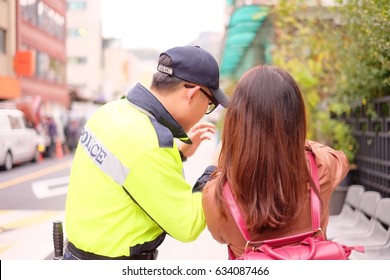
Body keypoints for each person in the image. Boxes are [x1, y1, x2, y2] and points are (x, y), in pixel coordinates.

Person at [63, 46, 229, 260]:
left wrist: (177, 154)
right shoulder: (151, 144)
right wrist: (213, 169)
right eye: (210, 104)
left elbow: (128, 172)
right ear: (193, 93)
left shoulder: (109, 112)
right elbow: (187, 224)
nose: (205, 112)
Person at [201, 65, 349, 259]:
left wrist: (219, 162)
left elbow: (219, 235)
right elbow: (342, 160)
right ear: (296, 118)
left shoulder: (217, 196)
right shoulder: (323, 166)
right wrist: (287, 141)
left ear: (236, 120)